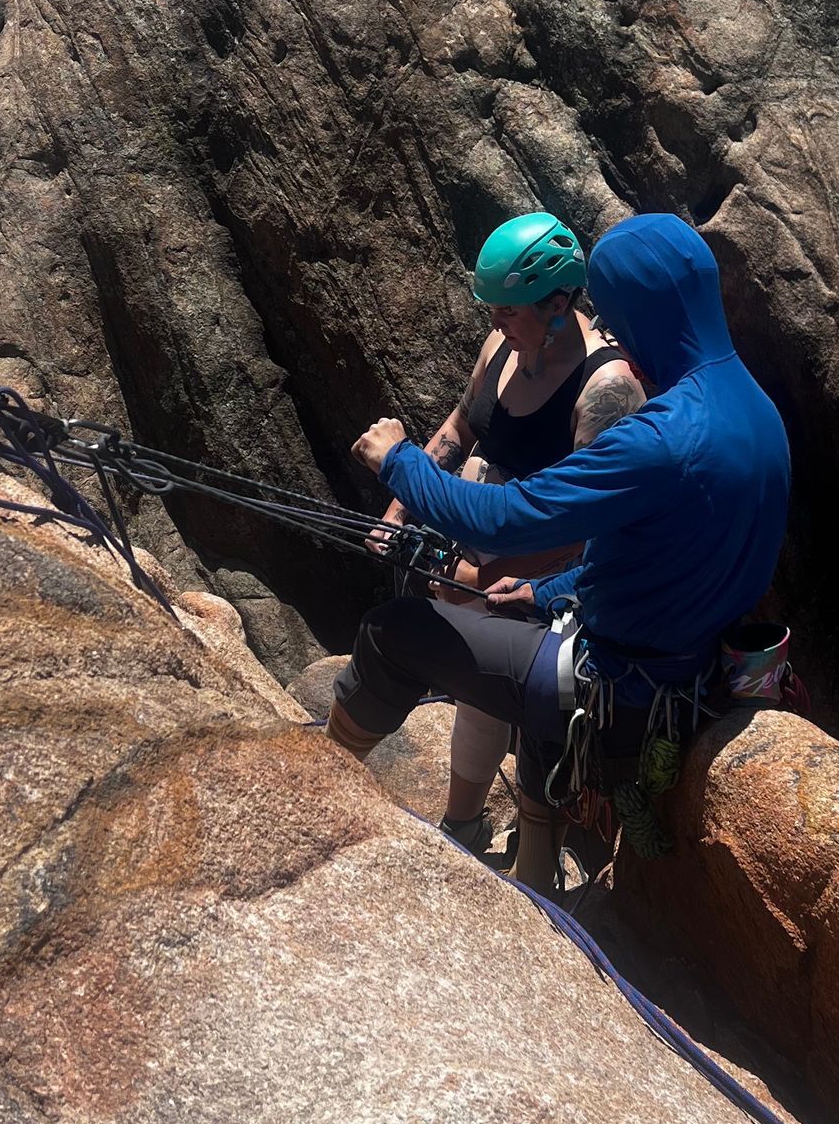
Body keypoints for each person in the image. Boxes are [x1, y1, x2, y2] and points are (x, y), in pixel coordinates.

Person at [331, 213, 791, 888]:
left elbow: (505, 521)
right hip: (692, 677)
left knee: (390, 634)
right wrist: (545, 592)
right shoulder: (756, 411)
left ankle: (318, 780)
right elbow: (654, 555)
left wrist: (398, 462)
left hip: (617, 690)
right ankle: (536, 878)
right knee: (514, 627)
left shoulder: (663, 435)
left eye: (615, 310)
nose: (611, 329)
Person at [374, 211, 644, 850]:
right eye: (492, 311)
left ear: (556, 304)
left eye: (508, 311)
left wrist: (492, 574)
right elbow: (464, 425)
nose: (494, 324)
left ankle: (491, 829)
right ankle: (470, 819)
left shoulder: (605, 388)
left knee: (485, 682)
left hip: (534, 560)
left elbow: (586, 528)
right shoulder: (503, 345)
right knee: (469, 669)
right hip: (473, 528)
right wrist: (399, 512)